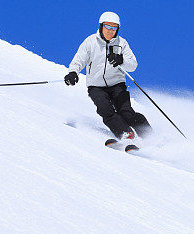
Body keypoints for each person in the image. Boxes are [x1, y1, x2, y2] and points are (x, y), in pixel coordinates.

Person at [64, 11, 152, 140]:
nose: (110, 30)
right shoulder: (90, 42)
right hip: (96, 86)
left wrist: (121, 59)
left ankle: (149, 136)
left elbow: (133, 65)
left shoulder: (122, 44)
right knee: (105, 110)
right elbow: (79, 59)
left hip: (117, 84)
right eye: (107, 26)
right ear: (101, 26)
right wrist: (72, 72)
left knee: (126, 113)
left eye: (114, 27)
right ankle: (125, 134)